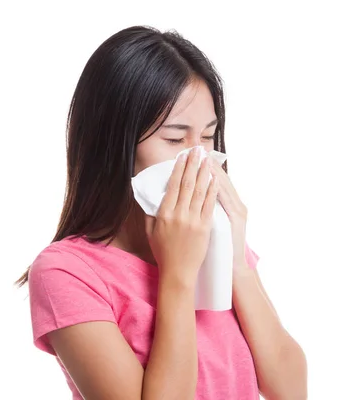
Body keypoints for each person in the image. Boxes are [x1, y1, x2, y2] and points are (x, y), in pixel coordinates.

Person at [16, 25, 307, 400]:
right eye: (174, 139)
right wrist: (178, 274)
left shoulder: (217, 242)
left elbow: (290, 390)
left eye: (207, 137)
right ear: (113, 145)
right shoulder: (66, 272)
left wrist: (235, 262)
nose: (198, 157)